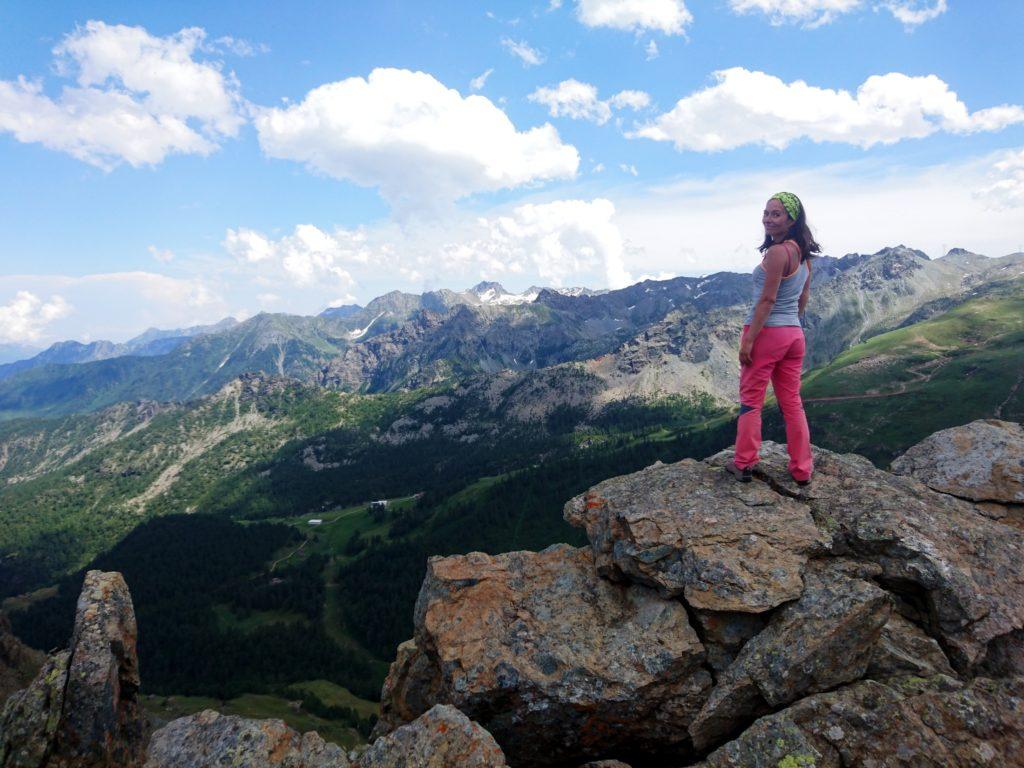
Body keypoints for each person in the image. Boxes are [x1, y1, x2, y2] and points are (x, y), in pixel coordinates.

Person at [726, 192, 820, 485]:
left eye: (776, 214)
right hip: (793, 333)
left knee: (751, 401)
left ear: (792, 219)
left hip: (768, 332)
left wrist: (750, 340)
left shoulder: (778, 253)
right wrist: (790, 324)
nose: (768, 219)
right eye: (766, 213)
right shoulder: (804, 257)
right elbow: (802, 298)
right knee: (792, 401)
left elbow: (766, 300)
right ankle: (802, 469)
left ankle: (743, 463)